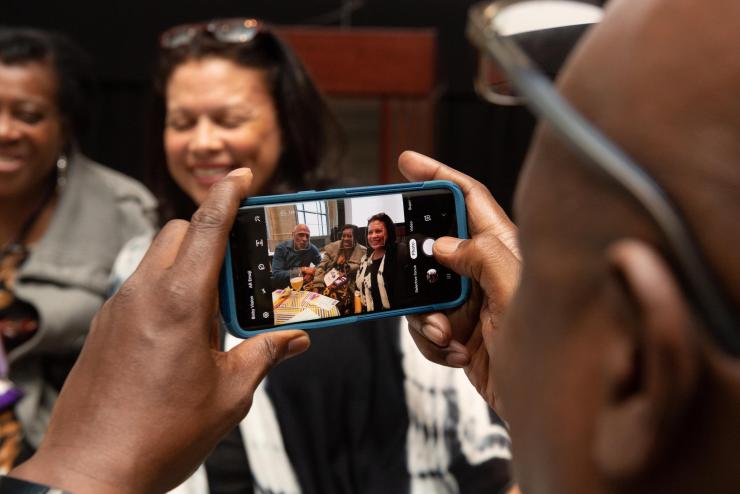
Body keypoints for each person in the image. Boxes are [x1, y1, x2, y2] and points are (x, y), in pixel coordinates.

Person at [109, 18, 513, 494]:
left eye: (229, 119)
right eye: (181, 123)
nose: (201, 142)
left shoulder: (356, 242)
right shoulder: (140, 261)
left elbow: (469, 444)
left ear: (285, 121)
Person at [0, 27, 155, 471]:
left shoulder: (125, 212)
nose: (5, 131)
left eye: (28, 114)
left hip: (73, 458)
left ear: (65, 123)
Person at [355, 213, 407, 312]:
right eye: (370, 232)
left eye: (378, 231)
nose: (373, 236)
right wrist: (358, 315)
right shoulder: (364, 260)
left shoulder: (399, 254)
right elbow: (357, 291)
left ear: (389, 232)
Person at [309, 224, 366, 314]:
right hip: (327, 280)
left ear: (355, 238)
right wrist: (317, 286)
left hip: (348, 286)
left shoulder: (363, 252)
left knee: (330, 306)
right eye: (344, 235)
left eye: (349, 236)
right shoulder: (333, 248)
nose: (346, 238)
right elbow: (321, 266)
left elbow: (362, 273)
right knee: (310, 296)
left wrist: (348, 268)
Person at [271, 223, 321, 289]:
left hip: (303, 285)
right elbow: (277, 274)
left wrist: (311, 274)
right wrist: (301, 269)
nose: (305, 239)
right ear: (293, 235)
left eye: (307, 236)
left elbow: (321, 264)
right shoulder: (281, 248)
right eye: (301, 235)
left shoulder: (312, 248)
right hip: (284, 286)